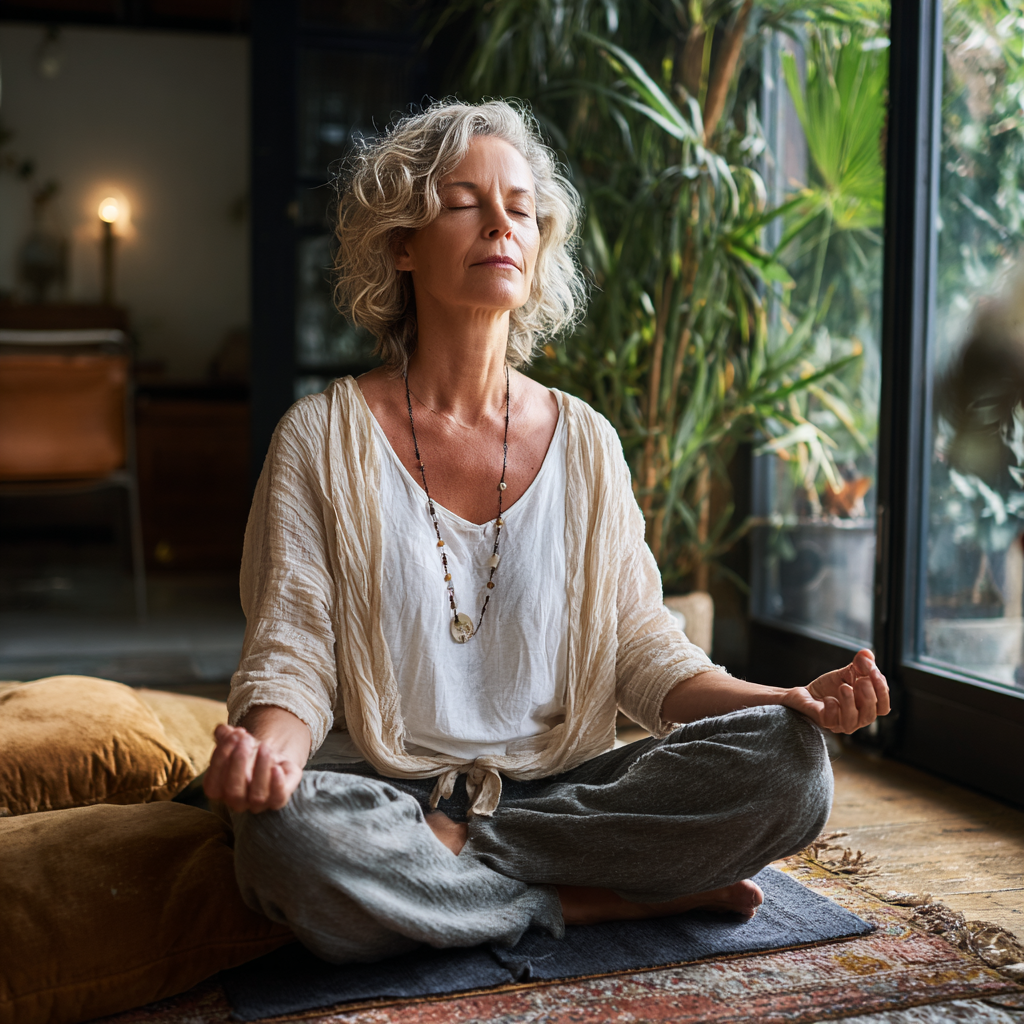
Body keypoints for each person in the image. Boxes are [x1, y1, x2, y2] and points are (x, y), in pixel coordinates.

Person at [204, 99, 890, 964]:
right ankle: (588, 900)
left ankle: (456, 884)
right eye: (465, 202)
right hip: (384, 793)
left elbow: (647, 656)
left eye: (521, 208)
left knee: (792, 770)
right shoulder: (320, 436)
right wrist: (265, 763)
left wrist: (783, 701)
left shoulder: (587, 442)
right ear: (402, 244)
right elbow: (293, 652)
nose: (500, 223)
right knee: (286, 840)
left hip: (560, 795)